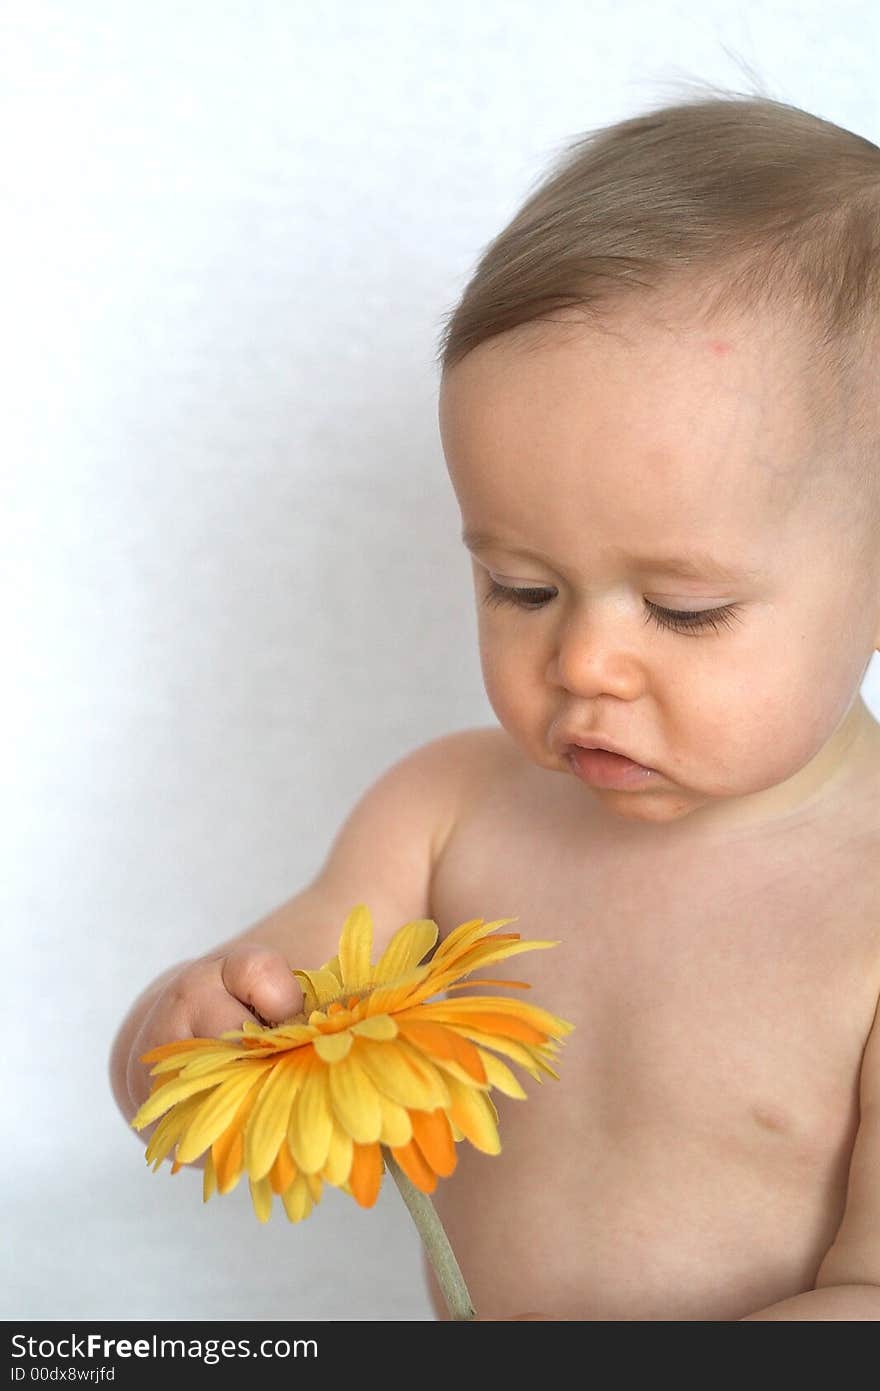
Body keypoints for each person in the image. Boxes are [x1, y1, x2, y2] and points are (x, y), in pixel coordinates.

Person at [110, 87, 880, 1320]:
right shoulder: (445, 816)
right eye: (521, 587)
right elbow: (214, 1059)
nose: (583, 663)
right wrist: (188, 1025)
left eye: (682, 609)